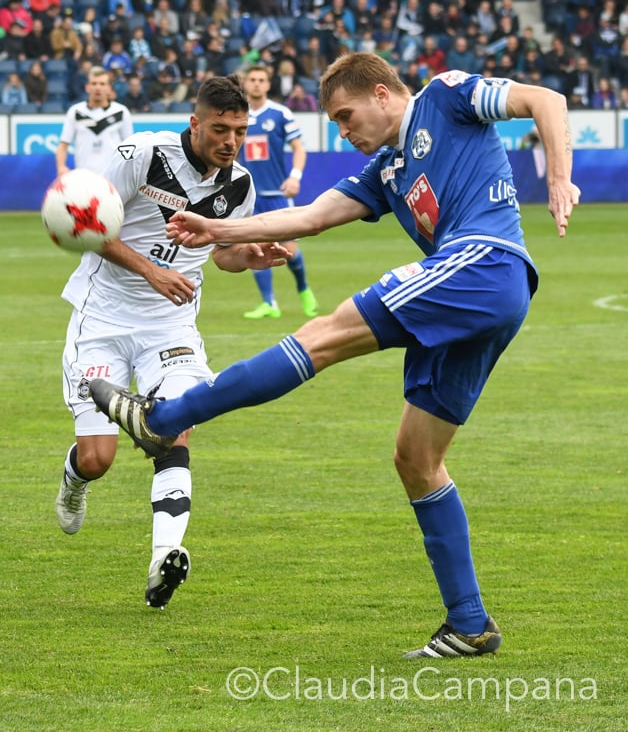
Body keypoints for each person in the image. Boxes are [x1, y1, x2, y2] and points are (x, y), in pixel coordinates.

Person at [89, 53, 580, 656]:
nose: (344, 132)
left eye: (346, 117)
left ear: (381, 94)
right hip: (484, 298)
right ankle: (469, 624)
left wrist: (559, 177)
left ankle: (162, 419)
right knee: (416, 459)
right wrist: (218, 230)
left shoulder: (445, 95)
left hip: (483, 262)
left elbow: (546, 100)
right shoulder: (387, 170)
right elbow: (314, 216)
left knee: (322, 335)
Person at [55, 74, 290, 610]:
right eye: (220, 129)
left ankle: (165, 557)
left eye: (239, 131)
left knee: (175, 424)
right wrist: (151, 272)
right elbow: (87, 222)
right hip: (102, 320)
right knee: (98, 459)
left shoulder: (240, 185)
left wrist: (249, 256)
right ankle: (74, 478)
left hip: (172, 328)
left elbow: (222, 253)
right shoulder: (142, 155)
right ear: (195, 122)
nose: (230, 141)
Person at [238, 64, 318, 320]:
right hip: (249, 196)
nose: (256, 83)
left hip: (277, 194)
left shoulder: (280, 113)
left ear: (268, 84)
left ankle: (303, 289)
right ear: (245, 83)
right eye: (252, 79)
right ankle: (268, 303)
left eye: (261, 79)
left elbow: (299, 148)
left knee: (290, 251)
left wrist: (295, 177)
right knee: (255, 248)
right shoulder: (238, 114)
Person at [55, 66, 133, 176]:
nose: (98, 88)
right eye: (94, 83)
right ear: (87, 87)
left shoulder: (121, 112)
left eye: (102, 84)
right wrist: (61, 167)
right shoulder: (75, 112)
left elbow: (130, 147)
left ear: (109, 88)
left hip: (112, 178)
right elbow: (63, 145)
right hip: (83, 178)